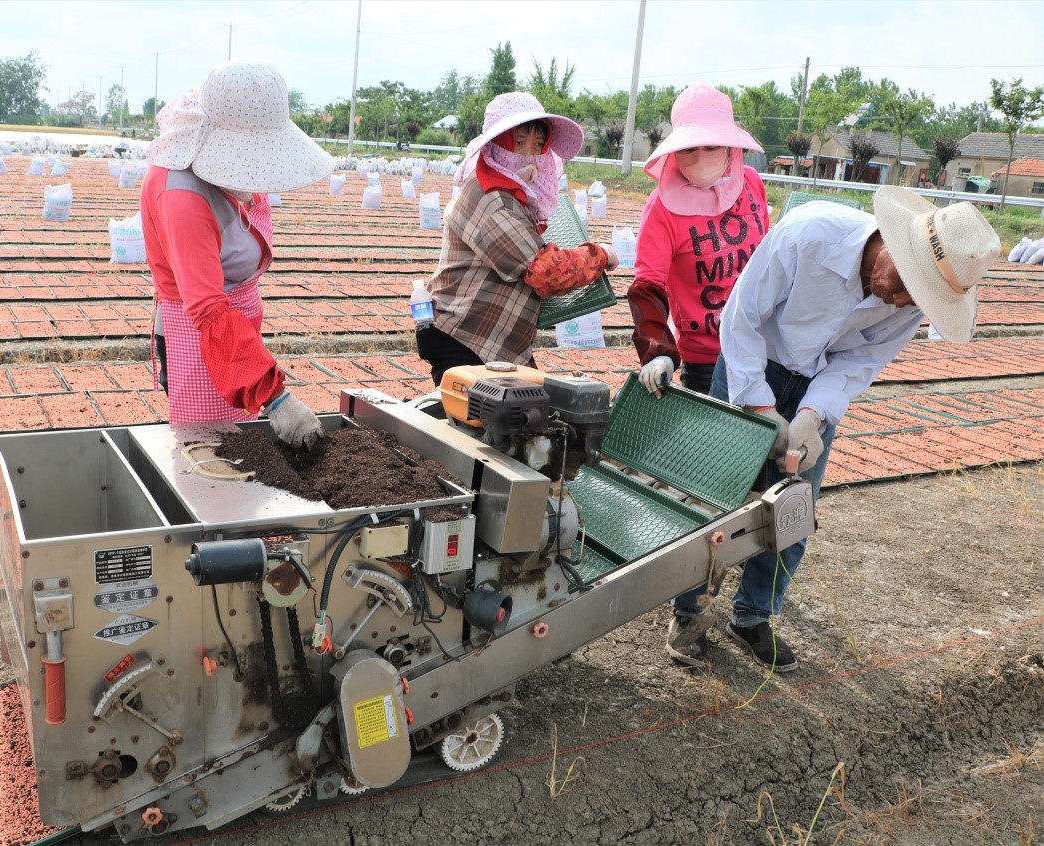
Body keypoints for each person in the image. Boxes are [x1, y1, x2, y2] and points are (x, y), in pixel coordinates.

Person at [665, 186, 1000, 673]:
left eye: (918, 298)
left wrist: (813, 414)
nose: (903, 300)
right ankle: (688, 611)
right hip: (751, 364)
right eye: (906, 285)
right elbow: (742, 320)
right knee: (714, 496)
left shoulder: (905, 303)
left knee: (793, 510)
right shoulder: (809, 236)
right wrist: (759, 405)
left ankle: (753, 615)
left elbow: (857, 361)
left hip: (816, 387)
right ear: (891, 246)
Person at [140, 59, 332, 449]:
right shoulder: (182, 197)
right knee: (210, 453)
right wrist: (275, 397)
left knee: (237, 442)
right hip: (201, 334)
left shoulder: (227, 173)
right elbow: (209, 309)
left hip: (235, 328)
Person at [415, 92, 618, 386]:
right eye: (518, 143)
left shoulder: (507, 193)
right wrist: (599, 255)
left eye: (537, 145)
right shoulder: (493, 198)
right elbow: (545, 271)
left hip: (486, 333)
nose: (528, 154)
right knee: (478, 421)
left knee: (515, 415)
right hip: (467, 336)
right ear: (496, 146)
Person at [627, 83, 769, 397]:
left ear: (730, 148)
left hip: (763, 349)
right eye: (690, 148)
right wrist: (658, 349)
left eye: (711, 146)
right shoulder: (662, 207)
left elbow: (767, 262)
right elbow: (648, 284)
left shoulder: (752, 185)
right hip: (706, 357)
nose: (700, 157)